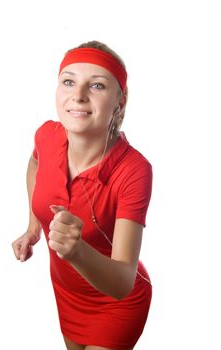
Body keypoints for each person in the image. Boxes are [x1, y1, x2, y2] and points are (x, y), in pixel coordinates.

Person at [12, 40, 153, 350]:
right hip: (67, 295)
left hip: (117, 303)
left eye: (97, 85)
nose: (78, 95)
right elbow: (35, 162)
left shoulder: (133, 170)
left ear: (120, 100)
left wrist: (77, 251)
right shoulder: (47, 135)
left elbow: (122, 283)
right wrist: (34, 227)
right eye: (69, 81)